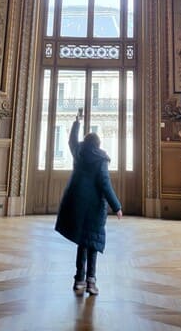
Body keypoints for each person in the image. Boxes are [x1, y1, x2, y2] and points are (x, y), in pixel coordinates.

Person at [55, 112, 122, 296]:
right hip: (94, 207)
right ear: (98, 145)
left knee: (82, 242)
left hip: (77, 203)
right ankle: (91, 281)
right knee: (93, 242)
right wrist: (116, 206)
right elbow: (105, 183)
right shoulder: (100, 159)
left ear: (86, 143)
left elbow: (71, 140)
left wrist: (77, 122)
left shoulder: (78, 152)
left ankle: (79, 280)